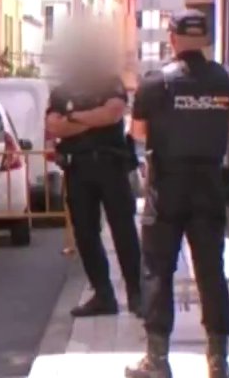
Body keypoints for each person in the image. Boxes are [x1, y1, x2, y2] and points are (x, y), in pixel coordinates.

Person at [125, 9, 229, 378]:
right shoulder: (224, 82)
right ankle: (218, 361)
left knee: (158, 269)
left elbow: (138, 134)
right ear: (204, 39)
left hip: (167, 187)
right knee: (210, 270)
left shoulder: (156, 83)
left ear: (171, 39)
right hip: (209, 186)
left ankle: (157, 360)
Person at [45, 47, 142, 318]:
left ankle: (136, 294)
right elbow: (54, 126)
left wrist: (74, 117)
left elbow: (113, 113)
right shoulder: (62, 91)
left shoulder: (110, 82)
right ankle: (103, 295)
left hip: (111, 166)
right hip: (77, 169)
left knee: (124, 230)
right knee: (85, 235)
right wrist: (93, 120)